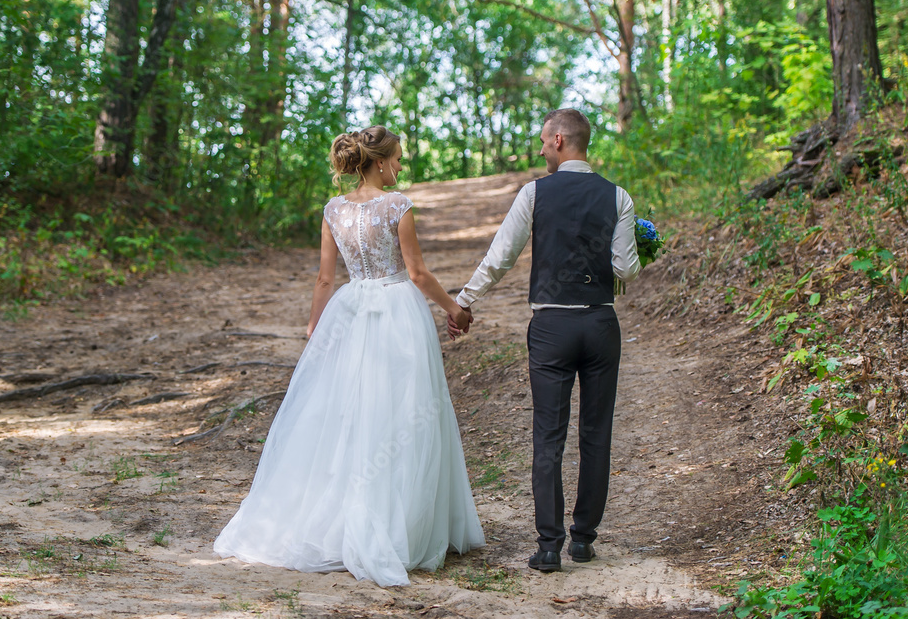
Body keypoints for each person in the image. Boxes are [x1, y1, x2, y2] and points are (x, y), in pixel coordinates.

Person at [213, 125, 485, 587]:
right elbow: (417, 273)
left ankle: (339, 517)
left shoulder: (333, 210)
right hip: (398, 311)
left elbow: (324, 279)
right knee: (402, 412)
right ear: (380, 162)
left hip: (350, 309)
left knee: (346, 412)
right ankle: (399, 526)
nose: (401, 166)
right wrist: (455, 308)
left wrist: (316, 328)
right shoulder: (398, 206)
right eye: (398, 158)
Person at [447, 108, 640, 572]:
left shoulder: (534, 193)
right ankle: (583, 540)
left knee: (548, 437)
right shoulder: (618, 197)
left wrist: (464, 301)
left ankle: (549, 546)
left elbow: (501, 256)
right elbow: (625, 270)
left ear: (557, 140)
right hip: (599, 325)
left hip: (551, 328)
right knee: (597, 435)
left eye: (541, 141)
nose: (538, 150)